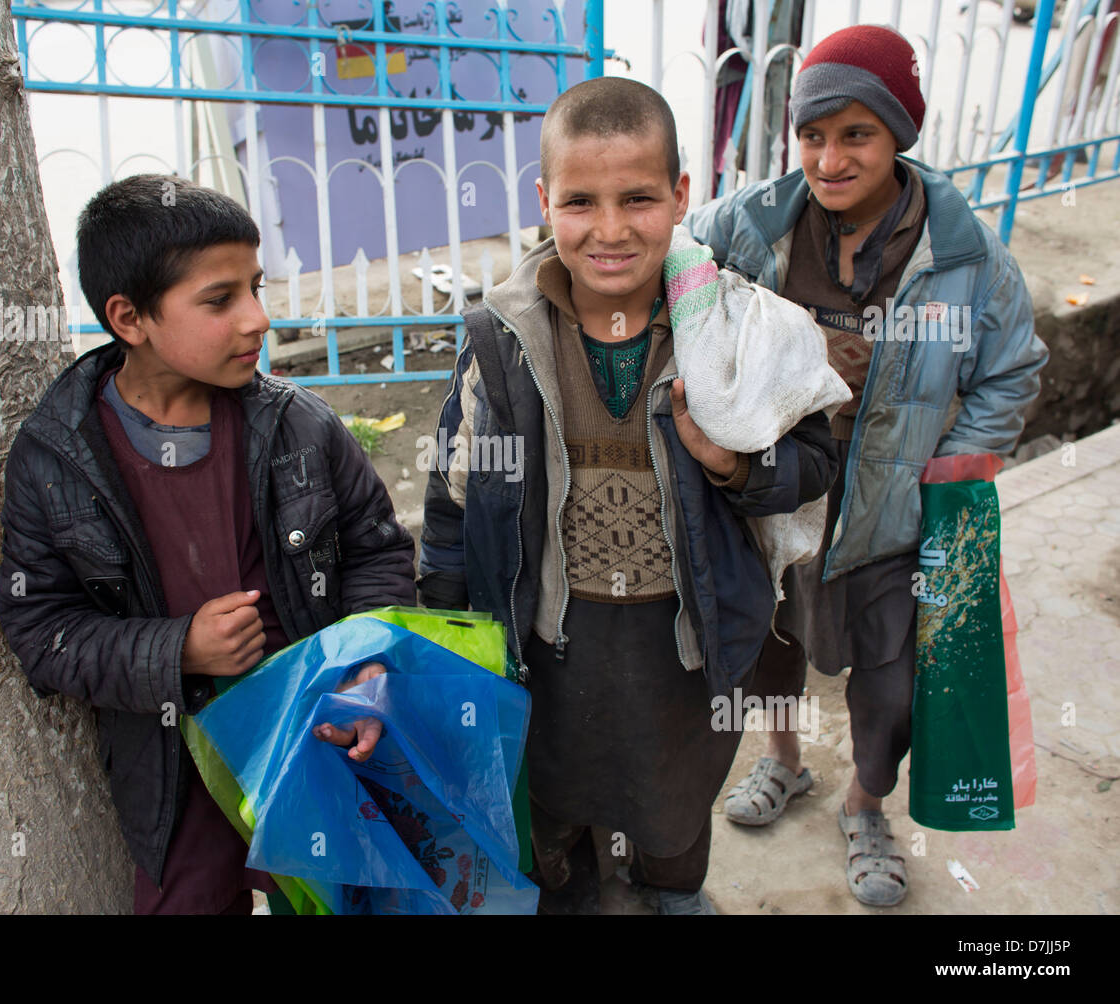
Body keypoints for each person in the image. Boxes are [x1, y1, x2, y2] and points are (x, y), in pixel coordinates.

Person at [417, 77, 839, 915]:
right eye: (580, 202)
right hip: (548, 642)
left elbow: (815, 464)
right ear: (545, 201)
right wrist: (447, 640)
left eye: (639, 199)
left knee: (675, 801)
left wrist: (732, 465)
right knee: (551, 793)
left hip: (685, 641)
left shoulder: (739, 331)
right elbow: (454, 503)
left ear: (682, 197)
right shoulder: (501, 344)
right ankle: (572, 892)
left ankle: (671, 892)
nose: (610, 231)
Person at [686, 25, 1049, 907]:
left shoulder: (962, 255)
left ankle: (865, 802)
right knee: (769, 651)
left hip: (897, 509)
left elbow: (1013, 367)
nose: (830, 158)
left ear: (900, 137)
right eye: (813, 134)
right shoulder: (753, 221)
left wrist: (953, 469)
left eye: (858, 135)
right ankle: (783, 763)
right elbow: (680, 276)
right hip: (776, 501)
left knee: (890, 676)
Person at [0, 175, 415, 914]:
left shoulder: (298, 426)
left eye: (255, 286)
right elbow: (41, 629)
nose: (257, 318)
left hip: (314, 738)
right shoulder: (56, 460)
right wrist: (176, 649)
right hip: (174, 767)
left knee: (333, 898)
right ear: (130, 318)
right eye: (220, 300)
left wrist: (360, 671)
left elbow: (376, 551)